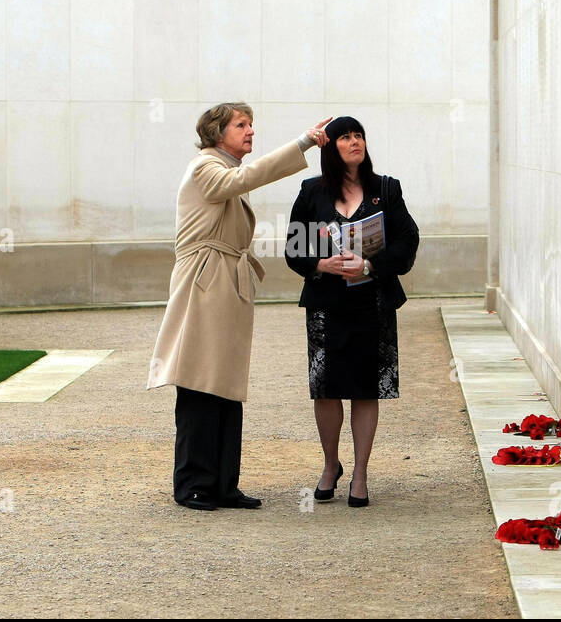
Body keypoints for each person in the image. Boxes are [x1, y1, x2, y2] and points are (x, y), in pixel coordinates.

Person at [148, 103, 330, 511]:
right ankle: (194, 484)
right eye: (241, 125)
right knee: (199, 382)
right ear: (217, 132)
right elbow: (245, 177)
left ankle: (225, 484)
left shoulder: (224, 170)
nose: (250, 131)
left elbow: (241, 180)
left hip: (223, 283)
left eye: (251, 124)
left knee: (226, 385)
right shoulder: (205, 166)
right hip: (205, 284)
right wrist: (303, 142)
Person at [283, 116, 419, 507]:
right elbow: (295, 248)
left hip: (372, 305)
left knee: (365, 388)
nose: (355, 141)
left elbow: (408, 240)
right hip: (327, 306)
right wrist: (320, 265)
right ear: (331, 148)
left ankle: (360, 473)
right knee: (326, 389)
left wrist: (371, 266)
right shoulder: (313, 192)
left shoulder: (385, 190)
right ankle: (330, 466)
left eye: (359, 135)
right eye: (345, 136)